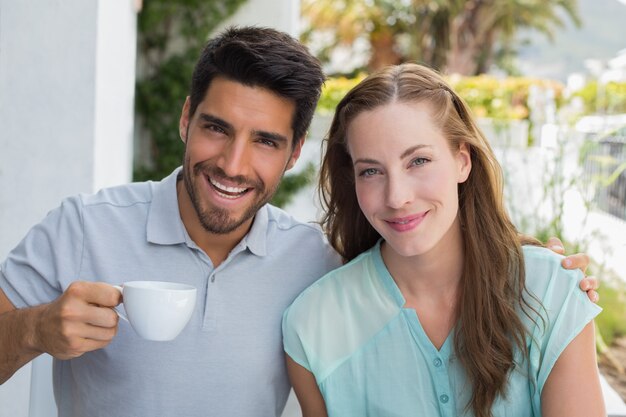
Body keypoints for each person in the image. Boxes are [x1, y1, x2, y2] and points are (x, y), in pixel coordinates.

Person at [0, 26, 595, 417]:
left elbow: (416, 242)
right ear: (186, 119)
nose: (233, 164)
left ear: (293, 153)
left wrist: (534, 266)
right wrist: (34, 331)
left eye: (264, 141)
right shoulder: (83, 227)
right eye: (216, 127)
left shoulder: (313, 264)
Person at [283, 63, 605, 417]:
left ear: (462, 162)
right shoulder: (313, 323)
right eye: (371, 171)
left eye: (418, 160)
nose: (396, 197)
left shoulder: (550, 291)